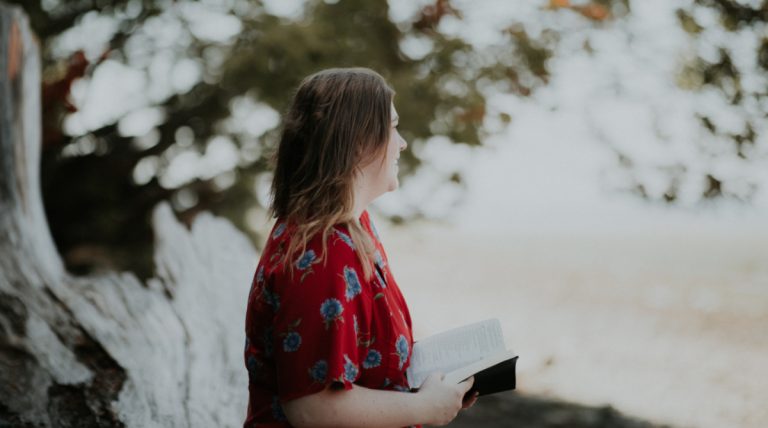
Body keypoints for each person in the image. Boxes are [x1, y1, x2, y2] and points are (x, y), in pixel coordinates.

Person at [243, 67, 477, 428]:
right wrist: (425, 409)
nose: (401, 143)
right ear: (357, 140)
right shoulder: (320, 252)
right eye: (393, 127)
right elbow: (312, 408)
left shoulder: (354, 228)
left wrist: (434, 391)